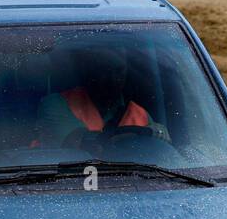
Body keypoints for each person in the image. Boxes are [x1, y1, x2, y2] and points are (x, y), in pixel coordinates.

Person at [33, 48, 161, 148]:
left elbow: (163, 151)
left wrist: (157, 133)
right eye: (105, 70)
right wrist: (143, 134)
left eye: (119, 71)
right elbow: (80, 144)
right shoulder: (55, 104)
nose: (113, 80)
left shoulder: (140, 114)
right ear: (89, 71)